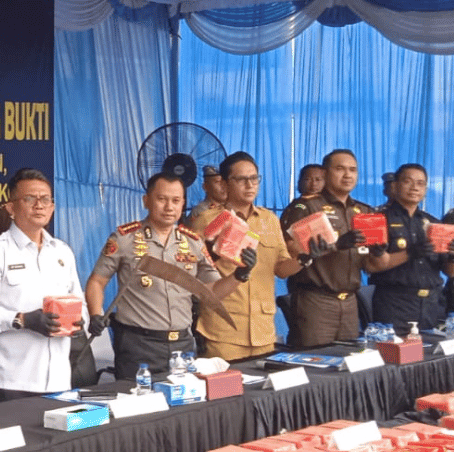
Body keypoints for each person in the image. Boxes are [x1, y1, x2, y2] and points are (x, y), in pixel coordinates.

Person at [85, 172, 253, 378]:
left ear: (183, 203)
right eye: (162, 199)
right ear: (146, 201)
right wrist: (95, 314)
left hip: (183, 344)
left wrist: (240, 274)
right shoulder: (125, 238)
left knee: (183, 397)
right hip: (138, 345)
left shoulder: (193, 242)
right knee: (135, 398)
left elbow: (213, 292)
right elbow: (97, 281)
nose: (169, 207)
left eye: (175, 201)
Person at [0, 168, 84, 402]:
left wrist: (80, 321)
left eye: (45, 199)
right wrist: (21, 320)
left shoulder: (62, 252)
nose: (39, 206)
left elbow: (79, 302)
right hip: (12, 380)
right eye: (30, 199)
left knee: (80, 424)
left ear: (52, 207)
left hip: (59, 378)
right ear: (11, 208)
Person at [189, 152, 301, 360]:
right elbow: (192, 274)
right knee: (227, 382)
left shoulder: (269, 220)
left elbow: (282, 269)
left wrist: (305, 258)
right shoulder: (206, 221)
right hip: (223, 331)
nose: (250, 185)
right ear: (224, 184)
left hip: (263, 331)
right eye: (241, 179)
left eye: (254, 178)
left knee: (264, 381)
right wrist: (214, 250)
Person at [280, 149, 389, 347]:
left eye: (353, 170)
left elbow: (372, 266)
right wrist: (337, 245)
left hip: (350, 303)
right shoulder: (307, 207)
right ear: (325, 173)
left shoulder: (364, 212)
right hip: (315, 301)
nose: (347, 175)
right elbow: (290, 252)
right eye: (340, 169)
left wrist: (379, 252)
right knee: (315, 361)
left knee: (348, 360)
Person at [366, 164, 454, 334]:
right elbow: (371, 266)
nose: (414, 187)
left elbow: (450, 272)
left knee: (431, 350)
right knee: (393, 350)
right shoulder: (378, 220)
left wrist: (452, 255)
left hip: (431, 305)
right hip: (395, 303)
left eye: (421, 183)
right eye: (408, 181)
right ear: (395, 185)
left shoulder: (434, 223)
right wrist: (411, 253)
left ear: (426, 189)